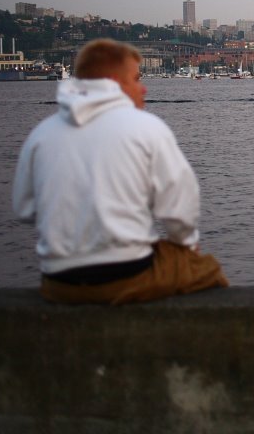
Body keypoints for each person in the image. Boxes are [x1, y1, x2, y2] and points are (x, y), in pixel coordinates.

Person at [12, 39, 228, 304]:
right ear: (114, 82)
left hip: (58, 282)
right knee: (208, 270)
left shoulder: (41, 134)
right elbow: (179, 206)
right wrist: (186, 243)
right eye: (136, 79)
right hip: (126, 276)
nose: (144, 88)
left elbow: (24, 209)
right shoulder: (146, 127)